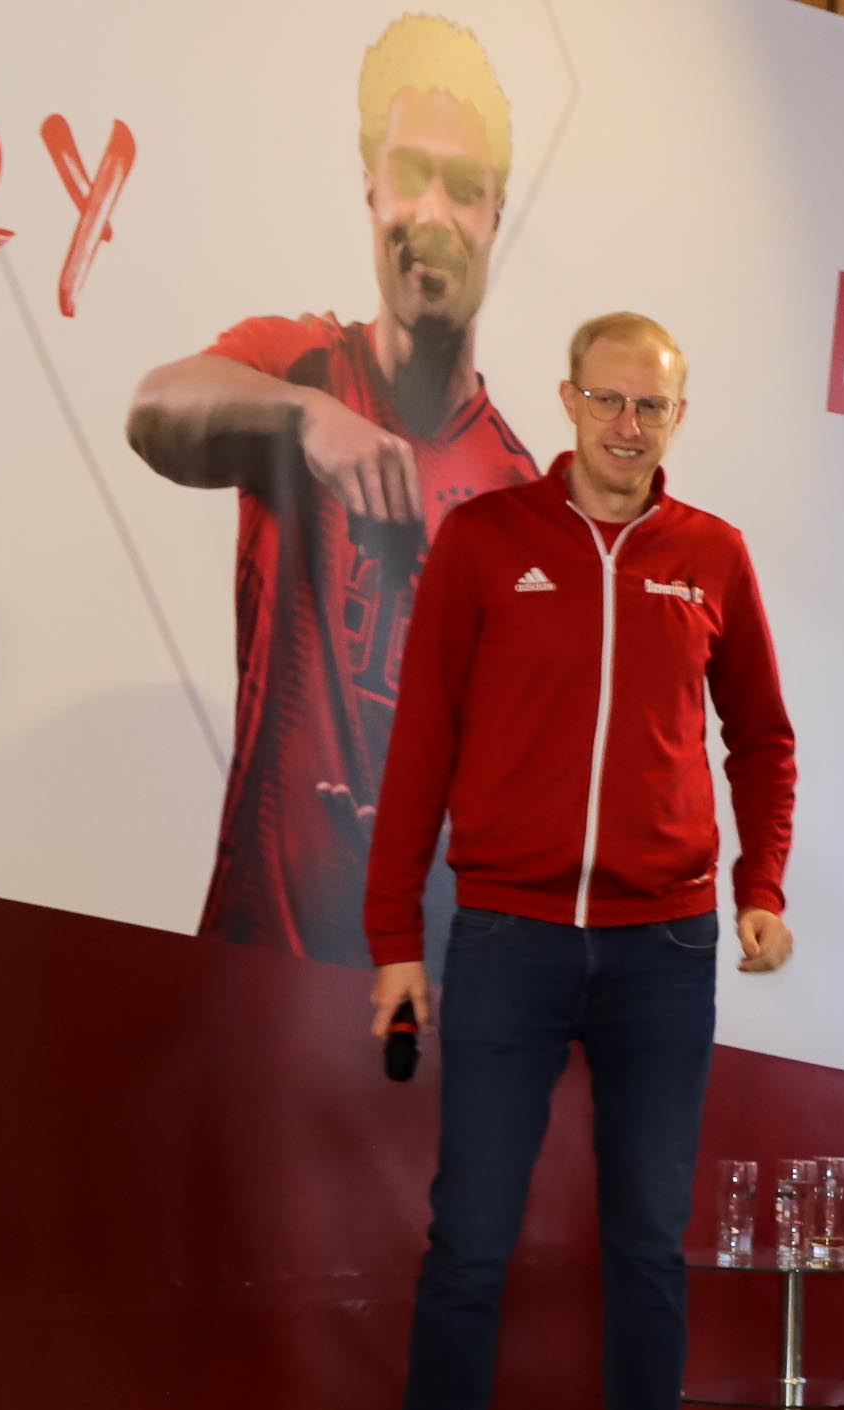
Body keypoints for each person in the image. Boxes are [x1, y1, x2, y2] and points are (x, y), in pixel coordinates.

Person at [345, 314, 797, 1410]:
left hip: (666, 947)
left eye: (650, 407)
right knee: (470, 1244)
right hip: (509, 938)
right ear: (567, 400)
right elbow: (420, 746)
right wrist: (393, 941)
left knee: (648, 1245)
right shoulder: (487, 543)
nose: (626, 426)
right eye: (608, 401)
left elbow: (763, 739)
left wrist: (760, 887)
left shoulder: (712, 554)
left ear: (676, 417)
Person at [125, 14, 538, 965]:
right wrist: (307, 421)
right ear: (370, 188)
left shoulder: (522, 500)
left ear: (495, 213)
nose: (433, 213)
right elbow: (154, 410)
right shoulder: (300, 367)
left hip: (424, 995)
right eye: (411, 175)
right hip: (253, 978)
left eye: (463, 187)